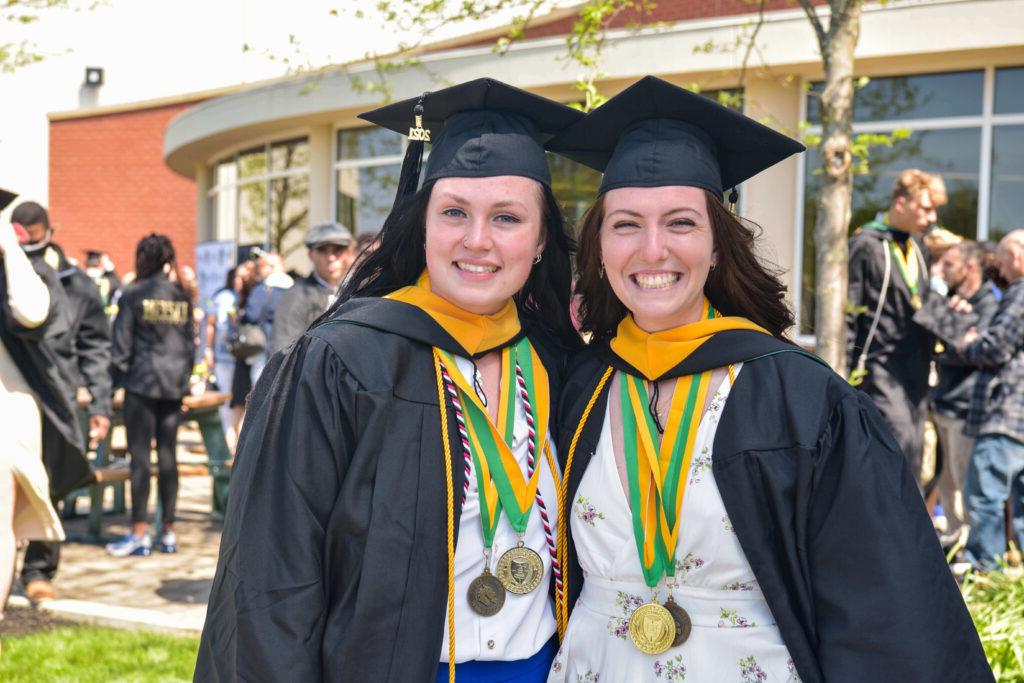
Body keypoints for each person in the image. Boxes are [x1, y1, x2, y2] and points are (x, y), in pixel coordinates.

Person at [544, 77, 990, 682]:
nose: (652, 249)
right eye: (625, 225)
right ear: (597, 246)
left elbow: (882, 608)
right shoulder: (578, 384)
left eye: (680, 223)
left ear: (718, 246)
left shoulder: (799, 398)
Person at [195, 78, 583, 682]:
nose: (477, 240)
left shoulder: (558, 363)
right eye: (454, 212)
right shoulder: (340, 362)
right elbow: (272, 577)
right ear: (421, 224)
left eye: (507, 217)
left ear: (539, 243)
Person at [10, 200, 112, 602]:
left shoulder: (77, 284)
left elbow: (96, 348)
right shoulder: (9, 271)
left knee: (49, 479)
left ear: (50, 232)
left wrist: (100, 405)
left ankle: (39, 569)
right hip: (13, 392)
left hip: (57, 396)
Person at [0, 189, 91, 627]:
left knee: (39, 488)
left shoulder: (45, 274)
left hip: (31, 402)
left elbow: (35, 315)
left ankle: (38, 571)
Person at [846, 169, 948, 486]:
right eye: (926, 208)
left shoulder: (918, 247)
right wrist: (843, 368)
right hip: (880, 366)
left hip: (916, 368)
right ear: (900, 203)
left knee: (916, 450)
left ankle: (907, 530)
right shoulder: (866, 244)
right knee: (898, 442)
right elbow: (848, 312)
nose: (932, 218)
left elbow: (923, 301)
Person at [107, 234, 195, 557]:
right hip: (173, 387)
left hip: (141, 385)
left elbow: (121, 348)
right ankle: (168, 532)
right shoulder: (181, 297)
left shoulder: (132, 294)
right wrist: (184, 383)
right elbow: (190, 346)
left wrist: (110, 387)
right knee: (170, 458)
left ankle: (139, 532)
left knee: (140, 459)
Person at [913, 240, 998, 552]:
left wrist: (954, 331)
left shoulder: (989, 304)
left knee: (965, 482)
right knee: (946, 481)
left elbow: (975, 350)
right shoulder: (955, 300)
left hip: (967, 407)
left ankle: (968, 544)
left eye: (949, 265)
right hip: (944, 402)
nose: (941, 271)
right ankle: (951, 539)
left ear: (970, 267)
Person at [959, 229, 1024, 570]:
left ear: (1015, 256)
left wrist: (969, 341)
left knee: (985, 497)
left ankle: (987, 572)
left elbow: (997, 347)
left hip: (1005, 412)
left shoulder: (1020, 293)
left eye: (1001, 261)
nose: (1001, 269)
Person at [268, 221, 355, 354]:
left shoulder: (355, 291)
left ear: (348, 252)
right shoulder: (296, 295)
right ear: (310, 255)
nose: (331, 257)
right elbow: (282, 350)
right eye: (322, 250)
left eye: (338, 249)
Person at [241, 250, 292, 383]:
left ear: (269, 268)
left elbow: (252, 315)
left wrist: (241, 316)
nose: (259, 271)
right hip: (292, 347)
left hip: (266, 348)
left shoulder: (264, 289)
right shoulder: (296, 288)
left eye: (261, 267)